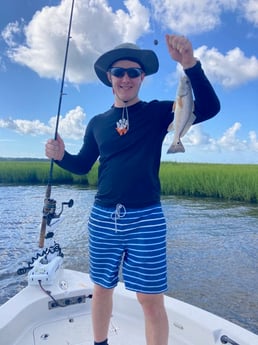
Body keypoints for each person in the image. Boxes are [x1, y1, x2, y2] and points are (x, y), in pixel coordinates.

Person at [45, 34, 220, 345]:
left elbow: (209, 107)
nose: (125, 78)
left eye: (133, 73)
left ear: (142, 78)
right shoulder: (97, 123)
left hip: (147, 220)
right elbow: (84, 164)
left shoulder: (157, 113)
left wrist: (190, 65)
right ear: (109, 78)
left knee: (150, 300)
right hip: (102, 219)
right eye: (119, 72)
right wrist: (61, 158)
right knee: (101, 290)